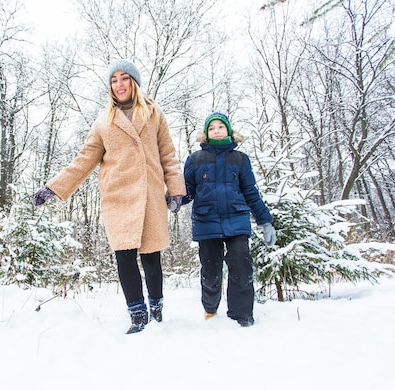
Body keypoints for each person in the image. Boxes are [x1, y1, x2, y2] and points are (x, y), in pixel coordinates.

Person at [32, 59, 186, 334]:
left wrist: (175, 191)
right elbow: (84, 160)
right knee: (124, 257)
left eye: (124, 78)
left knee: (151, 257)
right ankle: (138, 315)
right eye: (114, 80)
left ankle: (157, 309)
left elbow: (168, 156)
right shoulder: (104, 121)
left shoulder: (154, 114)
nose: (119, 84)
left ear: (134, 83)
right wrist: (54, 187)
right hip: (118, 199)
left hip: (150, 196)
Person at [182, 112, 276, 327]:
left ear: (228, 130)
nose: (216, 130)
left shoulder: (240, 159)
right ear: (206, 134)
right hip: (206, 222)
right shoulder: (195, 160)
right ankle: (210, 307)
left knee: (242, 263)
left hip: (236, 219)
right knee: (211, 270)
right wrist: (173, 200)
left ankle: (241, 315)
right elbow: (187, 191)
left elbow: (250, 192)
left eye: (220, 127)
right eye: (212, 128)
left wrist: (265, 221)